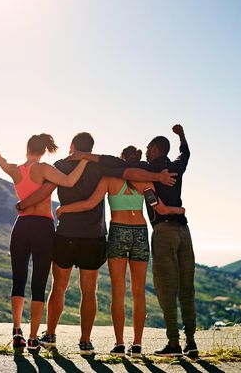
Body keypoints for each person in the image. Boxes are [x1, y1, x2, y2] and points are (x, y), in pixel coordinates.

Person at [15, 132, 177, 355]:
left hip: (66, 234)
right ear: (91, 149)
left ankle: (50, 335)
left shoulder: (60, 165)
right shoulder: (103, 167)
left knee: (58, 287)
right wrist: (159, 178)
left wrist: (24, 204)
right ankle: (85, 341)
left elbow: (46, 190)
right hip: (94, 236)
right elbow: (129, 172)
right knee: (89, 291)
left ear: (72, 145)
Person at [55, 145, 186, 358]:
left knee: (118, 290)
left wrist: (63, 209)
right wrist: (178, 210)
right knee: (139, 292)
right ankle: (137, 345)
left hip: (118, 231)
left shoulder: (108, 179)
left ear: (121, 160)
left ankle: (119, 344)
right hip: (140, 233)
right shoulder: (145, 182)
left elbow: (89, 204)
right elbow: (159, 208)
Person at [0, 129, 90, 352]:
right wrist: (84, 162)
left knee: (18, 281)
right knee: (38, 285)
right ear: (42, 151)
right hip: (42, 227)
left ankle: (17, 332)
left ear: (28, 149)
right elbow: (69, 182)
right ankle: (32, 338)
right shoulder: (45, 169)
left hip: (20, 226)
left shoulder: (15, 170)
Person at [95, 124, 197, 357]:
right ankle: (190, 341)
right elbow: (186, 154)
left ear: (154, 149)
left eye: (149, 148)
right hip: (182, 230)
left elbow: (125, 170)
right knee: (186, 287)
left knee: (165, 287)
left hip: (162, 231)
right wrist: (181, 136)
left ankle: (171, 344)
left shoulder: (146, 169)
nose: (146, 150)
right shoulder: (176, 167)